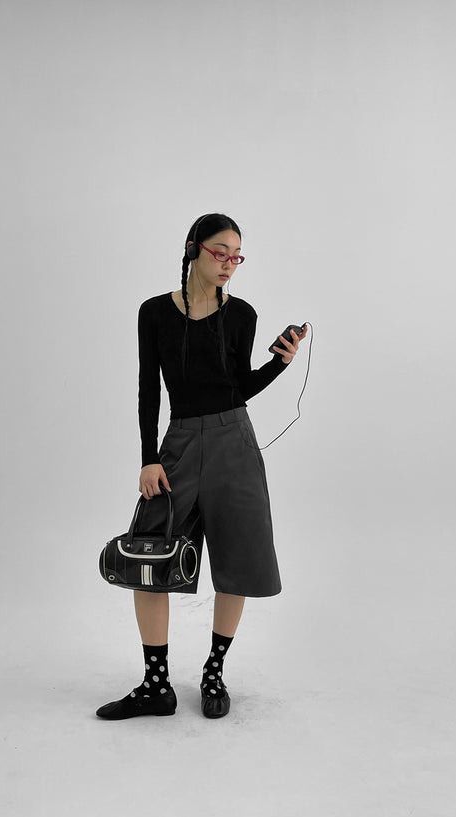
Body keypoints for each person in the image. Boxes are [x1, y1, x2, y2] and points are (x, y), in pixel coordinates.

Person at [96, 212, 307, 721]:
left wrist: (279, 364)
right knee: (148, 556)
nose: (229, 264)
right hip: (181, 443)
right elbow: (149, 389)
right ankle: (156, 686)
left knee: (236, 559)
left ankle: (214, 671)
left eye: (237, 256)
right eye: (220, 252)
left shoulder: (242, 315)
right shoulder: (154, 313)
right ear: (193, 248)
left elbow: (239, 386)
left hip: (235, 440)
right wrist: (149, 458)